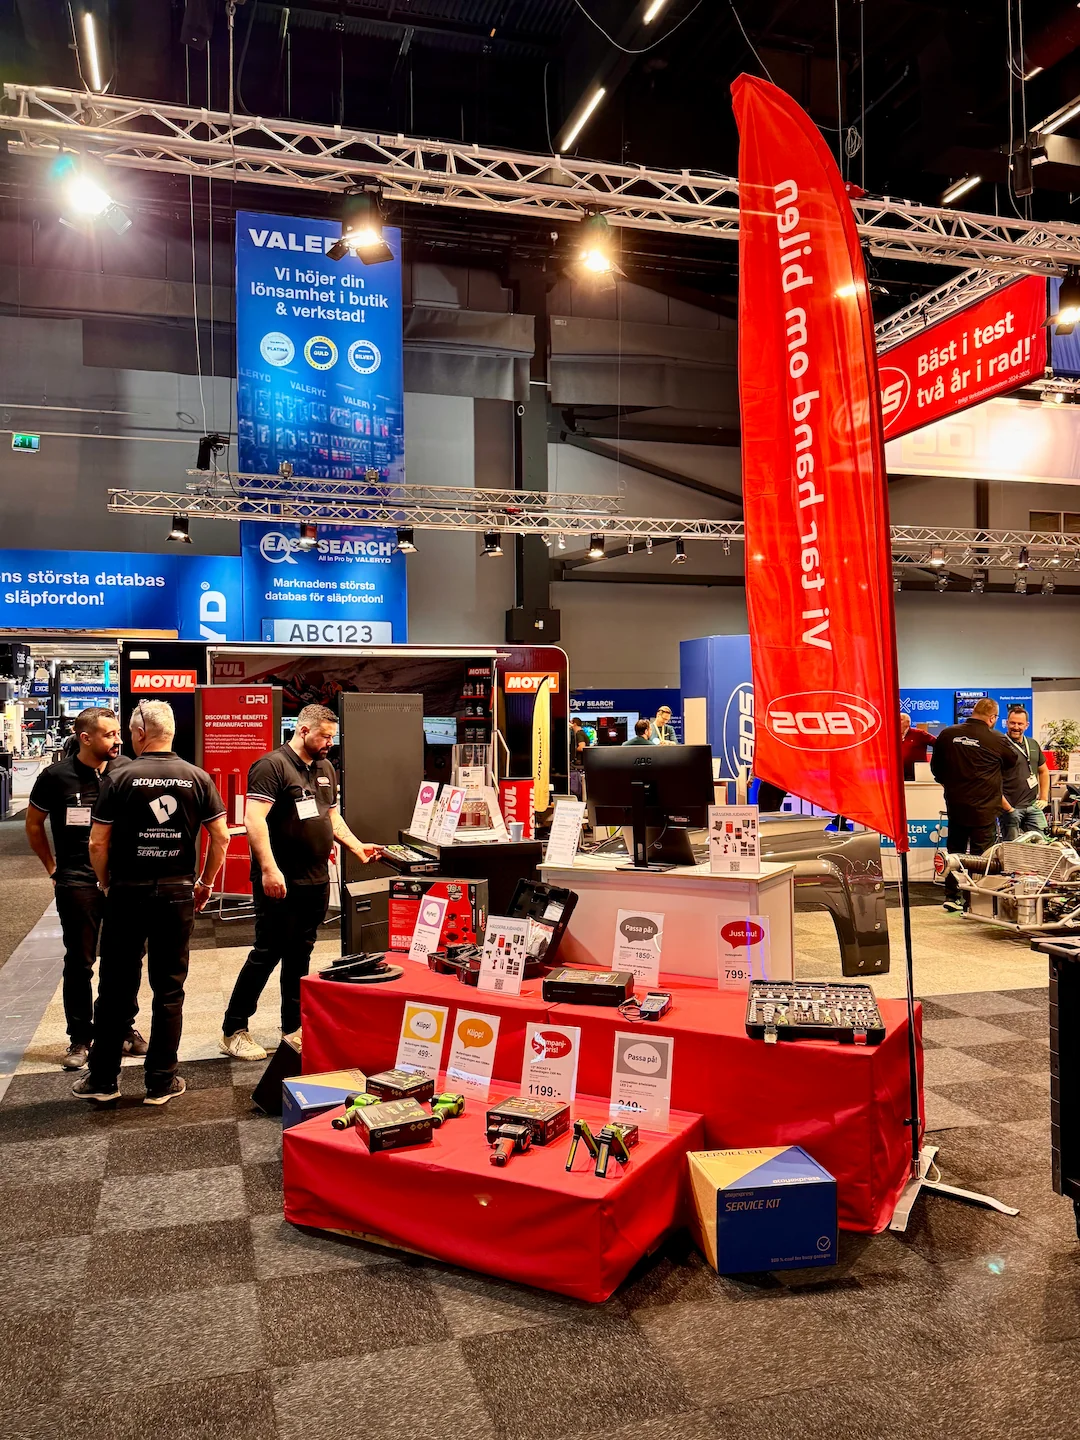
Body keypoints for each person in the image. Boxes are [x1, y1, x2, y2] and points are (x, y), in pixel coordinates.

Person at [73, 701, 229, 1105]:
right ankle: (161, 1082)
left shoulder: (118, 777)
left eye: (129, 731)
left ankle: (103, 1080)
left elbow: (97, 843)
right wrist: (205, 882)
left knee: (115, 987)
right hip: (177, 893)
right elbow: (222, 837)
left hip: (128, 892)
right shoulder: (197, 777)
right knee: (169, 989)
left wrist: (106, 882)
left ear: (141, 733)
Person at [220, 703, 382, 1060]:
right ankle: (233, 1029)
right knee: (267, 953)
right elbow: (254, 820)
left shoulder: (325, 768)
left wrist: (356, 846)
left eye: (332, 737)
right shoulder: (271, 766)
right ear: (303, 730)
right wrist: (268, 868)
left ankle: (292, 1027)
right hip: (281, 879)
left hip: (315, 879)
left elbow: (331, 816)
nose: (329, 743)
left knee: (300, 955)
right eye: (324, 736)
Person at [25, 707, 145, 1070]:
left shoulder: (125, 769)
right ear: (85, 738)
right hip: (77, 880)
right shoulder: (55, 776)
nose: (118, 740)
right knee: (80, 960)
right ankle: (80, 1037)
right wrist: (52, 868)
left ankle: (123, 1027)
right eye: (109, 735)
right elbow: (34, 824)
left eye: (118, 733)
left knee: (127, 958)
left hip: (122, 880)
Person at [930, 697, 1018, 914]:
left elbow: (936, 769)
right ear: (992, 717)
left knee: (955, 852)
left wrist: (952, 785)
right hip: (985, 807)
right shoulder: (997, 739)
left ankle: (951, 896)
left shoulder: (947, 734)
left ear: (973, 712)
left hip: (956, 804)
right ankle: (975, 902)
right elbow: (1012, 762)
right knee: (981, 857)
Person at [1000, 706, 1050, 840]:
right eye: (1012, 723)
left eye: (1020, 724)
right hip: (1011, 808)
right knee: (1012, 848)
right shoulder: (1000, 745)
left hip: (1033, 806)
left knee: (1043, 844)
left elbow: (1043, 771)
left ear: (1026, 725)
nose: (1016, 727)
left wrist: (1044, 798)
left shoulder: (1032, 744)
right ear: (1006, 723)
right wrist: (1007, 808)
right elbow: (991, 779)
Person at [899, 711, 935, 782]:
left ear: (907, 723)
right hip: (899, 774)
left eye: (900, 719)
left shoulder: (919, 734)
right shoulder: (893, 735)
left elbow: (937, 743)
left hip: (918, 773)